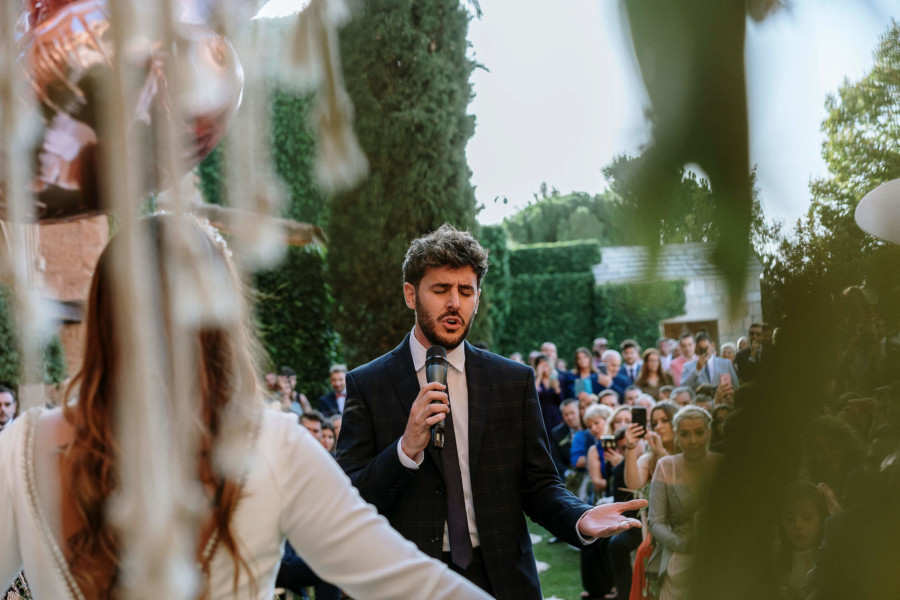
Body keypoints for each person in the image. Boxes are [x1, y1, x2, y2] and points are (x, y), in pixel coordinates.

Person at [0, 216, 491, 600]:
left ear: (103, 320)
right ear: (220, 324)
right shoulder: (276, 446)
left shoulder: (23, 445)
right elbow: (408, 581)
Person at [336, 224, 645, 600]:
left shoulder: (511, 381)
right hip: (408, 581)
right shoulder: (368, 383)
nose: (455, 303)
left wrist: (579, 516)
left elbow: (540, 483)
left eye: (466, 291)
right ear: (410, 295)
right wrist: (404, 450)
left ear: (477, 298)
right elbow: (350, 499)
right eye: (441, 289)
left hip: (500, 578)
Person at [647, 406, 722, 600]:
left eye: (699, 432)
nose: (693, 440)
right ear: (676, 437)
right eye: (685, 434)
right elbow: (655, 521)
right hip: (680, 556)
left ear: (709, 432)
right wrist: (683, 545)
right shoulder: (665, 466)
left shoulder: (723, 464)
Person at [775, 482, 828, 600]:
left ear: (821, 519)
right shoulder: (774, 560)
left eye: (807, 518)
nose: (797, 525)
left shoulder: (830, 558)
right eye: (789, 518)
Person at [534, 354, 564, 431]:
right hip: (541, 416)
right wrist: (539, 376)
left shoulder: (557, 378)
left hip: (555, 415)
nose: (544, 368)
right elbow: (533, 395)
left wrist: (557, 389)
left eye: (546, 365)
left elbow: (561, 400)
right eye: (541, 366)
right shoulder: (535, 381)